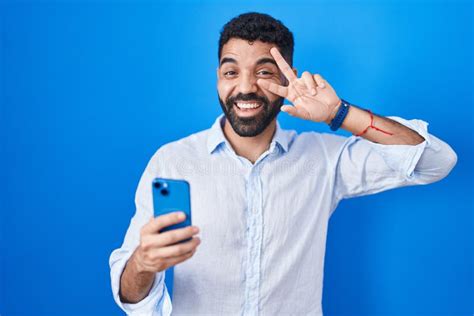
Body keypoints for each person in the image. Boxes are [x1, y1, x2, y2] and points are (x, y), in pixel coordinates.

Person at [109, 12, 457, 316]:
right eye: (231, 72)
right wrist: (143, 263)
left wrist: (340, 114)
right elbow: (130, 297)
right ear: (218, 77)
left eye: (264, 72)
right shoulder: (173, 161)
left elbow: (435, 161)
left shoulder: (323, 159)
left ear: (287, 80)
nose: (245, 87)